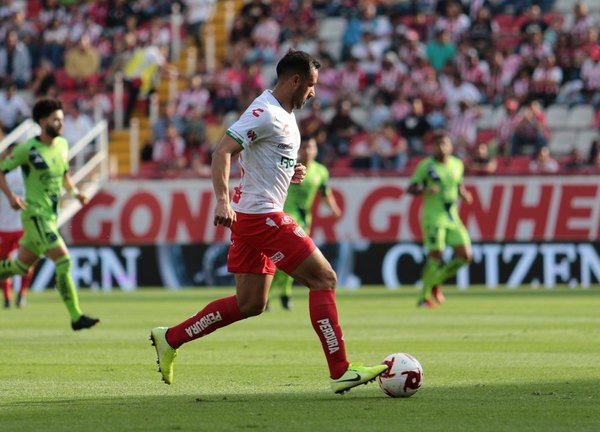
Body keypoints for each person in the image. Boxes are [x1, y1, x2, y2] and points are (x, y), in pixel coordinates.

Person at [150, 49, 387, 393]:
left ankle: (170, 337)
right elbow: (221, 153)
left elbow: (263, 157)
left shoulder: (284, 115)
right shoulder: (264, 112)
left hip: (253, 215)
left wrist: (289, 171)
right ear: (295, 80)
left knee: (251, 304)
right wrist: (220, 199)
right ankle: (341, 370)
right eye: (310, 85)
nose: (313, 93)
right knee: (324, 278)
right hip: (261, 216)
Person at [0, 98, 99, 330]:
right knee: (64, 260)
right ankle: (76, 317)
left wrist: (75, 193)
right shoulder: (27, 149)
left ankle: (76, 316)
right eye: (56, 119)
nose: (60, 123)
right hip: (35, 216)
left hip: (50, 218)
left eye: (62, 119)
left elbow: (64, 173)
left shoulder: (63, 145)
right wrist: (11, 197)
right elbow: (1, 170)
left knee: (19, 268)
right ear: (42, 121)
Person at [270, 136, 342, 310]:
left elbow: (324, 193)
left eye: (311, 147)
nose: (307, 151)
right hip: (287, 218)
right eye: (304, 148)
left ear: (316, 150)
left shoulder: (321, 171)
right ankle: (270, 294)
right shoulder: (289, 166)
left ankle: (284, 293)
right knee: (286, 259)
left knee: (293, 259)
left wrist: (333, 208)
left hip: (304, 220)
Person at [407, 131, 473, 308]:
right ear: (433, 148)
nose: (441, 148)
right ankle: (423, 297)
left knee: (465, 256)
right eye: (437, 145)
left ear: (451, 146)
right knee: (437, 255)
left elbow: (458, 183)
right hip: (433, 217)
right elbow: (411, 188)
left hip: (452, 217)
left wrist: (463, 193)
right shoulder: (426, 166)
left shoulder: (457, 164)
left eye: (445, 144)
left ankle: (436, 281)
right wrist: (425, 190)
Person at [0, 144, 33, 308]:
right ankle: (7, 296)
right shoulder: (2, 172)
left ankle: (22, 293)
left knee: (28, 260)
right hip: (3, 226)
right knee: (4, 262)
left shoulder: (27, 172)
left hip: (23, 225)